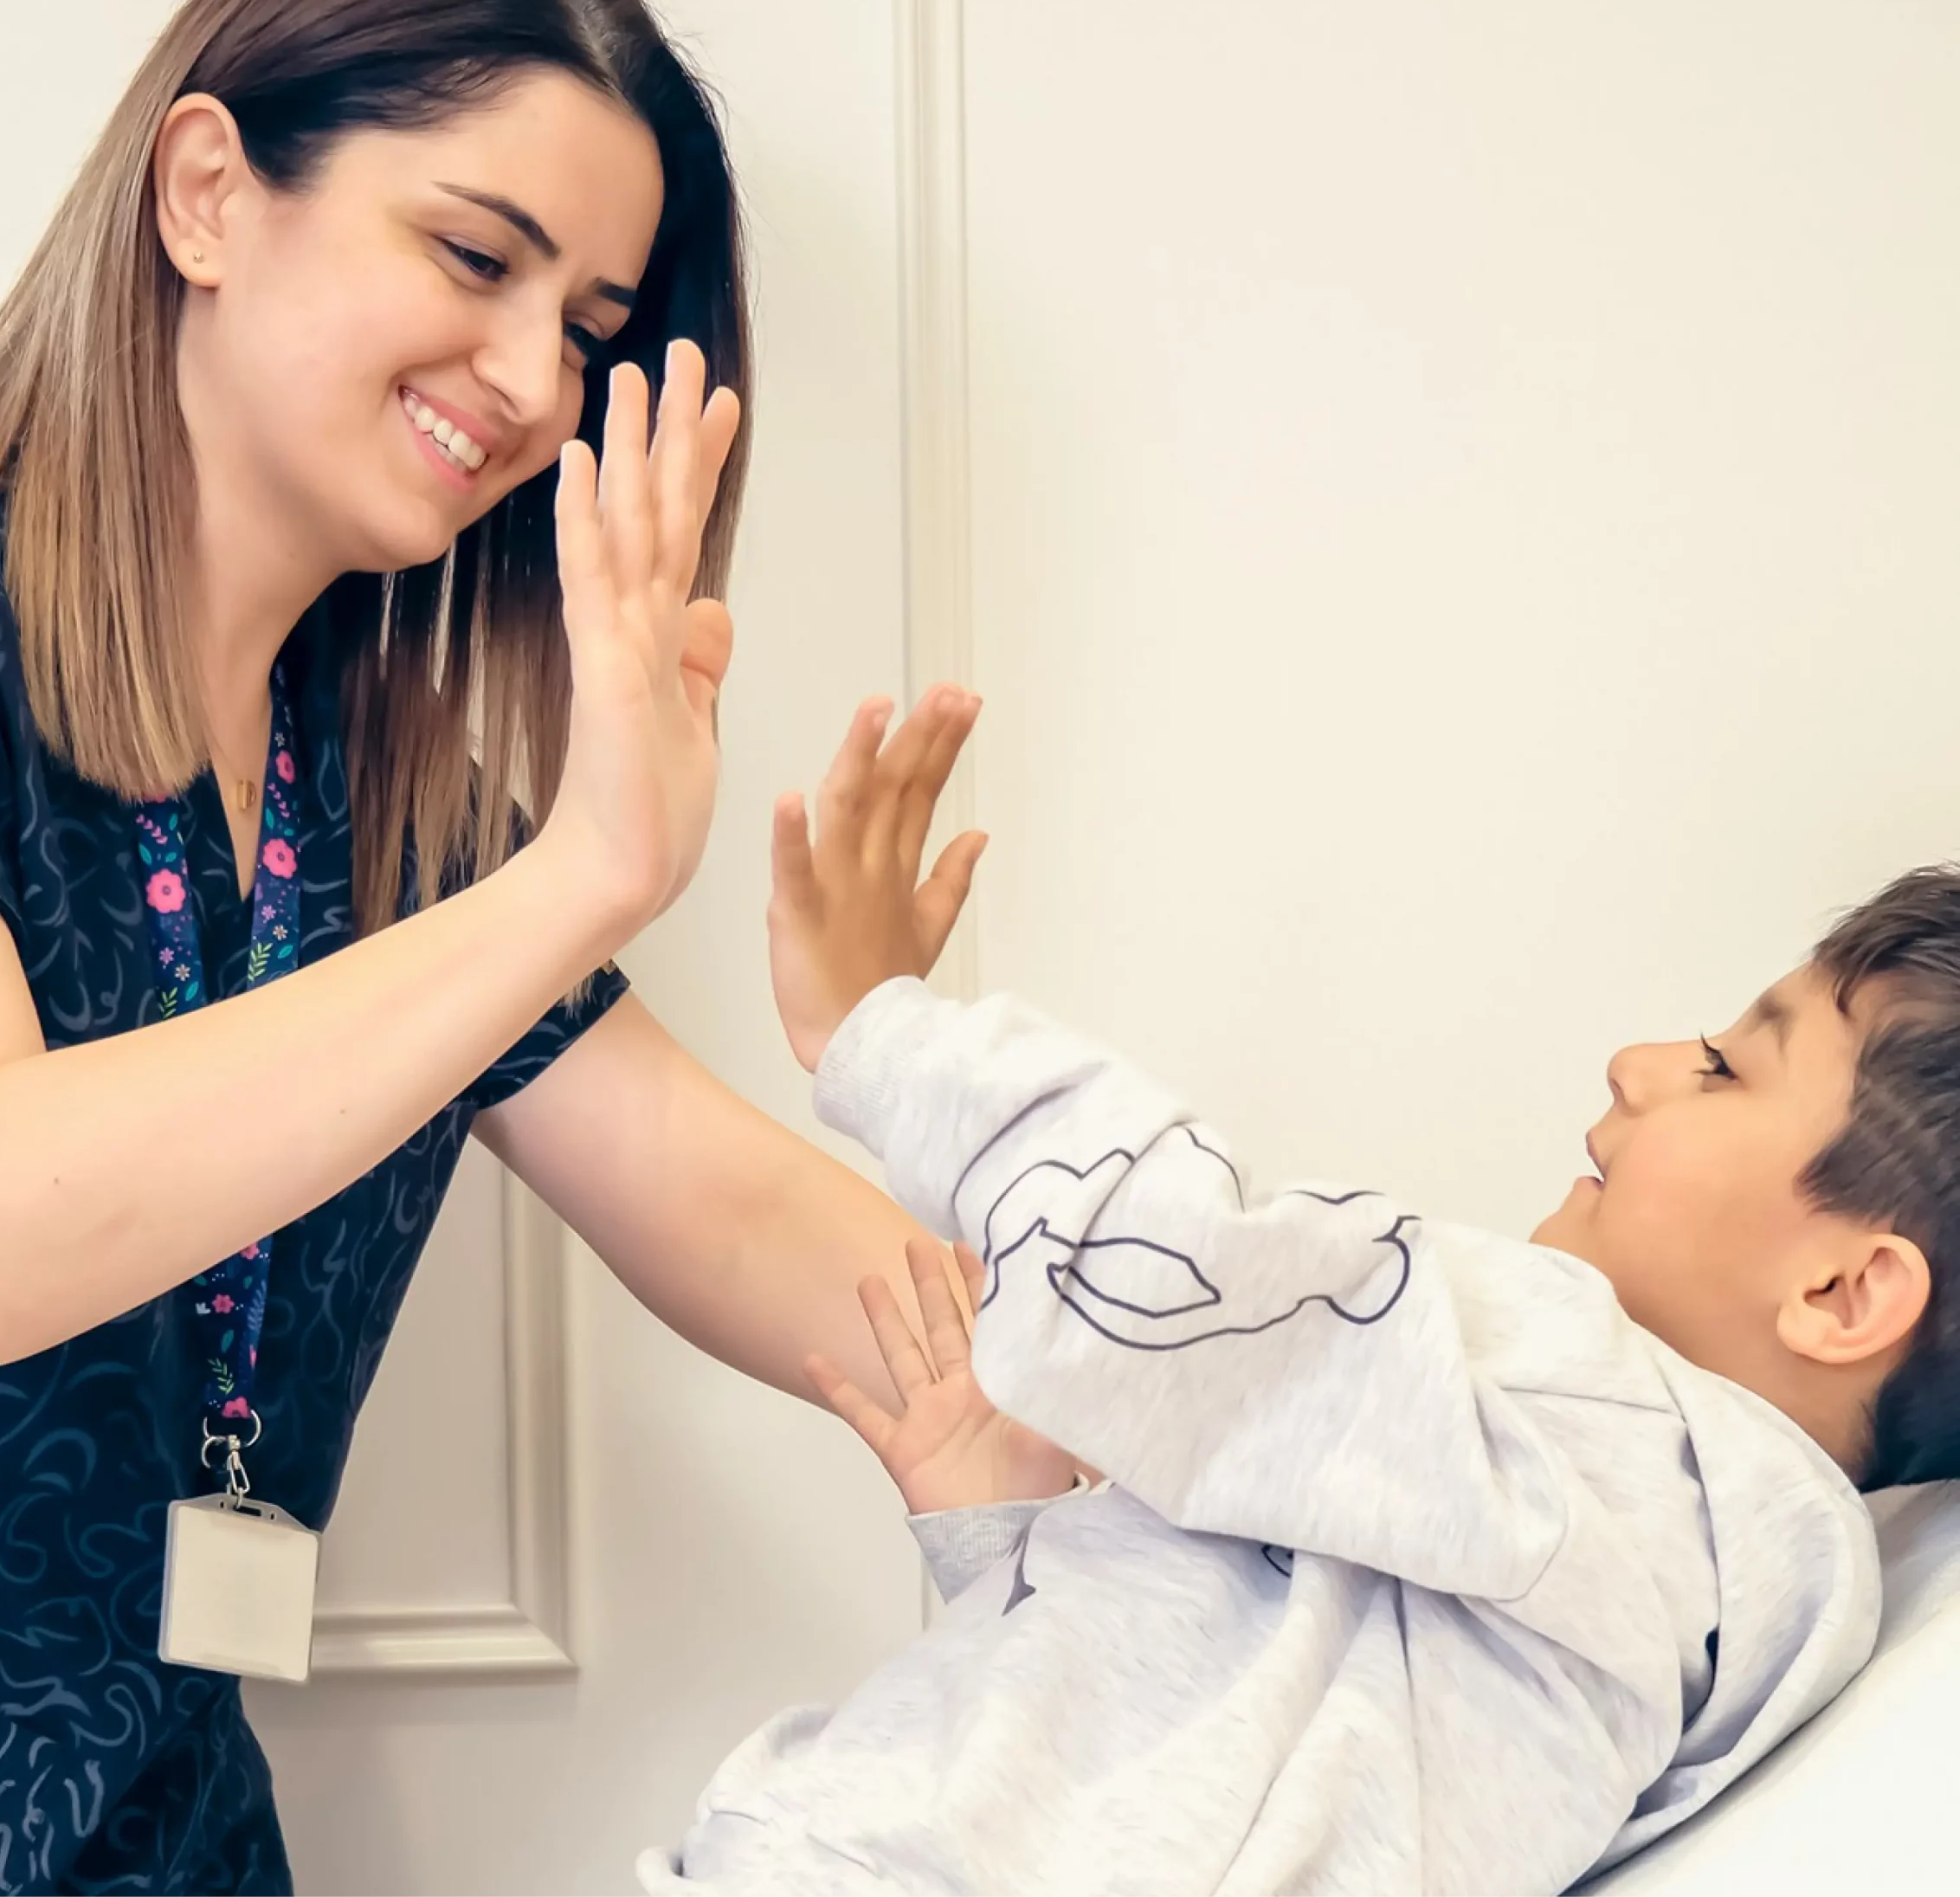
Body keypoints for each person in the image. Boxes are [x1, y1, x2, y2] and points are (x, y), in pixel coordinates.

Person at [0, 0, 982, 1894]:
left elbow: (788, 1252)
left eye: (588, 329)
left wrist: (1300, 1385)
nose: (528, 379)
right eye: (474, 255)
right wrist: (583, 874)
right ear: (208, 194)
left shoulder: (399, 806)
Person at [638, 721, 1960, 1894]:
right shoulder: (1703, 1604)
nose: (1641, 1060)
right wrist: (1014, 1539)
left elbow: (1190, 1264)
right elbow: (1276, 1741)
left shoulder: (1595, 1395)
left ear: (1844, 1291)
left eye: (1726, 1067)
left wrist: (884, 1029)